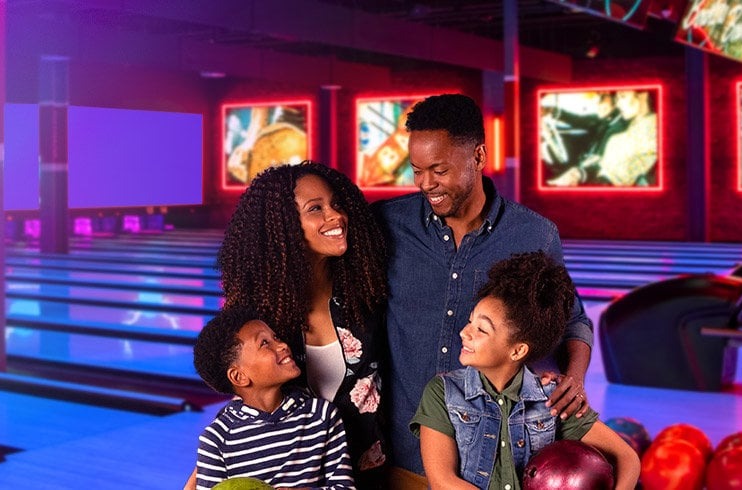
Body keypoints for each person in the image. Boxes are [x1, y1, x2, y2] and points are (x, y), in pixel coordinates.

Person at [375, 94, 595, 484]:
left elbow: (572, 321)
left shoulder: (534, 235)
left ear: (478, 156)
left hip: (493, 463)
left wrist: (574, 379)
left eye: (439, 170)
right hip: (402, 457)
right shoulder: (387, 225)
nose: (426, 183)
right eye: (417, 170)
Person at [217, 162, 391, 488]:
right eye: (316, 209)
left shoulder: (367, 292)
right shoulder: (257, 318)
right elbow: (243, 404)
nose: (336, 216)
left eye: (336, 204)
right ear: (282, 227)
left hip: (372, 476)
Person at [411, 252, 640, 489]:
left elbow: (627, 458)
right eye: (470, 322)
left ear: (518, 351)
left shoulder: (552, 398)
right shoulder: (443, 392)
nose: (464, 333)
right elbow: (442, 481)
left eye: (481, 330)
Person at [190, 307, 355, 489]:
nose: (283, 345)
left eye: (276, 337)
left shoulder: (321, 415)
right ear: (239, 376)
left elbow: (344, 487)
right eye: (265, 343)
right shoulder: (217, 438)